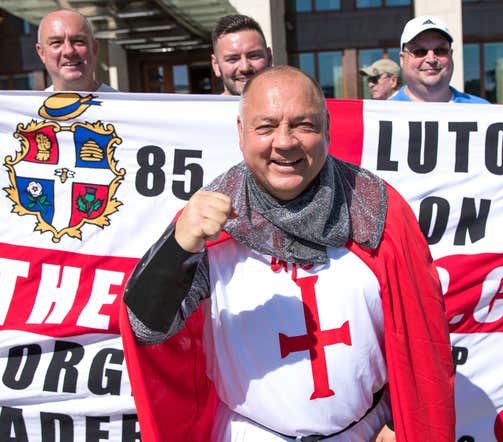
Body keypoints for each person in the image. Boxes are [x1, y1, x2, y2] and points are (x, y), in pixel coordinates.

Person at [120, 66, 455, 442]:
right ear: (241, 132)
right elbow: (145, 328)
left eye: (303, 125)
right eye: (265, 126)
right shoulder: (207, 219)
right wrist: (177, 249)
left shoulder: (377, 208)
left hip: (367, 432)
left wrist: (398, 421)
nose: (284, 142)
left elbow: (419, 334)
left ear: (326, 127)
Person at [390, 15, 488, 104]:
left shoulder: (483, 111)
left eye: (440, 50)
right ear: (402, 60)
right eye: (419, 51)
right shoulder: (384, 116)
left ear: (451, 55)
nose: (431, 59)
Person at [36, 9, 117, 92]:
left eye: (78, 41)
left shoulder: (124, 104)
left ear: (94, 48)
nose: (69, 51)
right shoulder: (33, 105)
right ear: (41, 53)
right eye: (57, 42)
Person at [211, 14, 273, 96]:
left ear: (269, 58)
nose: (245, 68)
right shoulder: (202, 109)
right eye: (233, 59)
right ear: (216, 65)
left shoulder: (288, 107)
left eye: (254, 56)